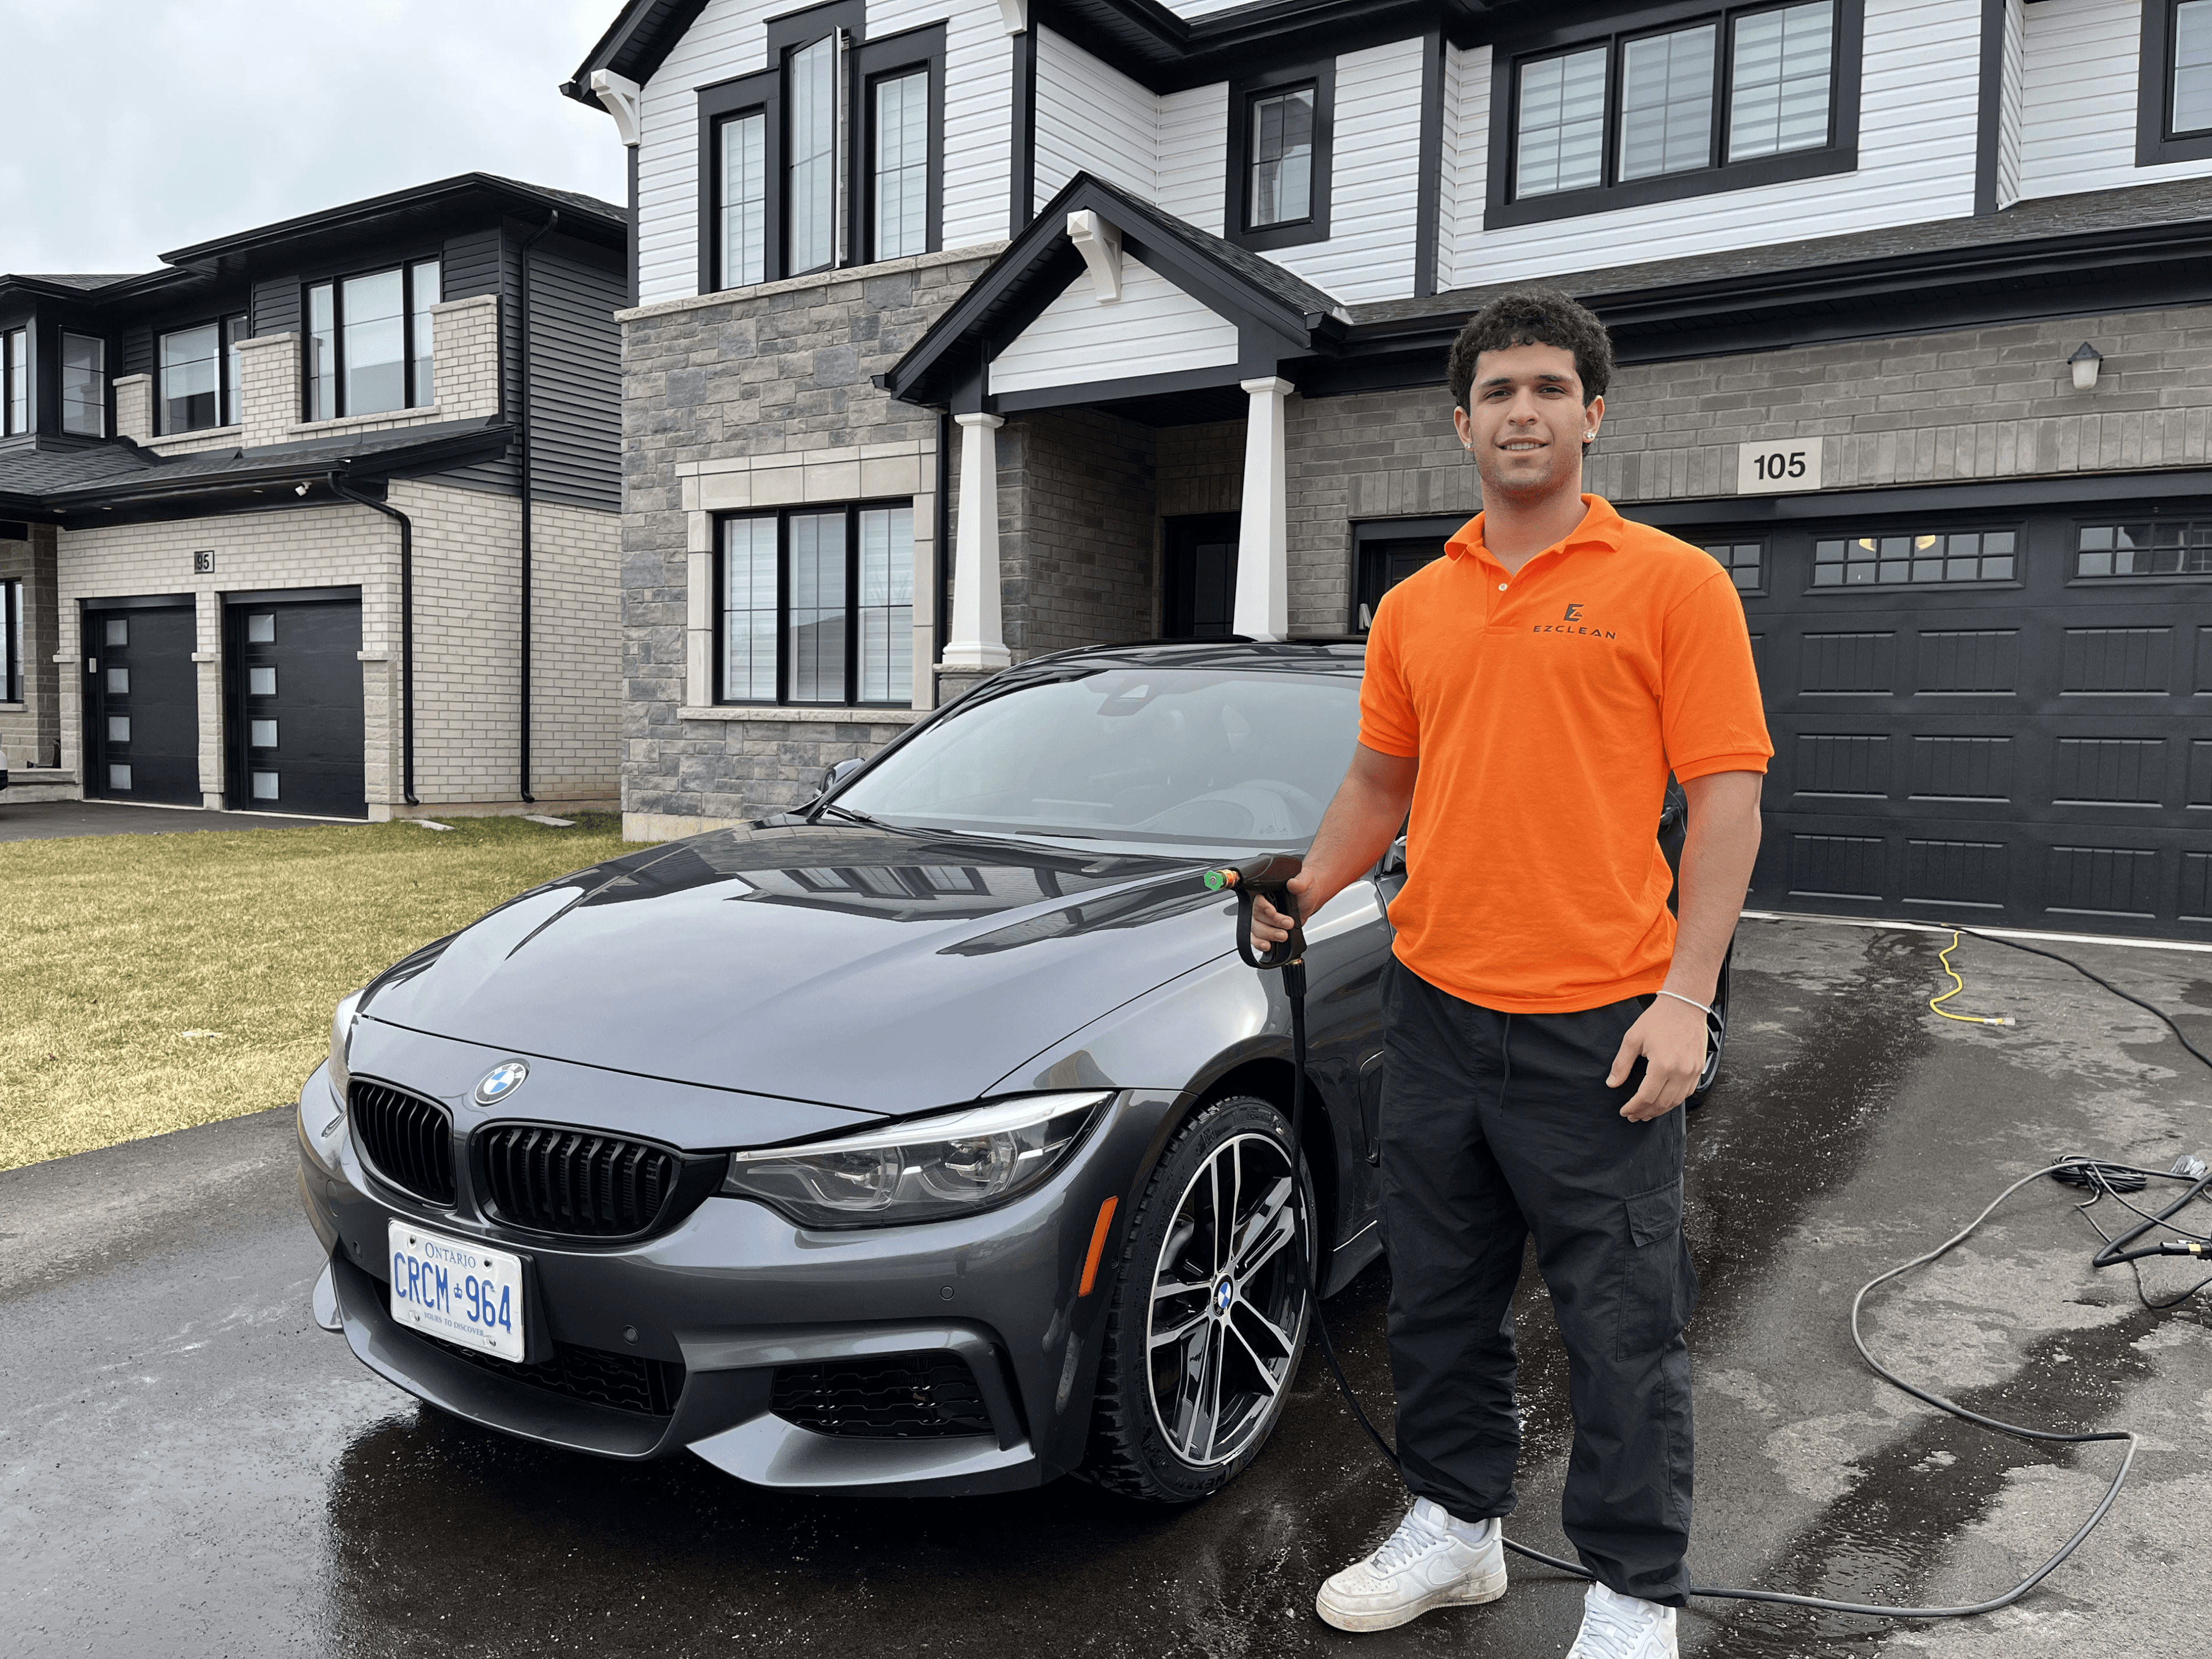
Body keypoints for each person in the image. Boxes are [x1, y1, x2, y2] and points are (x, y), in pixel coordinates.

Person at [1252, 288, 1770, 1658]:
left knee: (1619, 1322)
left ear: (1593, 413)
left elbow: (1726, 802)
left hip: (1601, 1018)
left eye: (1550, 388)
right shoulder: (1418, 605)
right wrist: (1305, 889)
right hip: (1435, 1010)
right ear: (1462, 421)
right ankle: (1456, 1528)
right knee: (1436, 1298)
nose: (1524, 412)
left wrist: (1686, 999)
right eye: (1499, 392)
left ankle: (1635, 1587)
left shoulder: (1672, 584)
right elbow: (1381, 781)